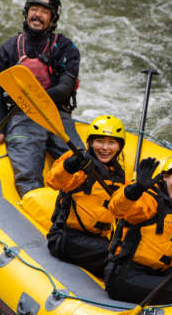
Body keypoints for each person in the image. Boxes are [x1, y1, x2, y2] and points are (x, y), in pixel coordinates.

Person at [0, 0, 83, 198]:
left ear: (53, 18)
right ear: (27, 13)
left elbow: (64, 88)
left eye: (44, 12)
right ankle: (35, 212)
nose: (37, 15)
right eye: (34, 10)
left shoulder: (65, 47)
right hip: (22, 115)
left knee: (83, 164)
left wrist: (36, 98)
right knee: (27, 175)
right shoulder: (8, 49)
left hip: (56, 115)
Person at [104, 154, 172, 305]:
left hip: (155, 273)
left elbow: (169, 257)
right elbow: (117, 208)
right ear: (165, 177)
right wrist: (136, 189)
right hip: (125, 276)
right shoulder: (148, 200)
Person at [45, 115, 127, 278]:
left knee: (126, 256)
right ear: (90, 142)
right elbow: (53, 181)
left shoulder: (119, 175)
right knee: (118, 260)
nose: (105, 148)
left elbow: (125, 211)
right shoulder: (78, 161)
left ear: (119, 146)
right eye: (100, 141)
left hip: (97, 240)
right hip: (66, 238)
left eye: (112, 142)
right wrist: (69, 166)